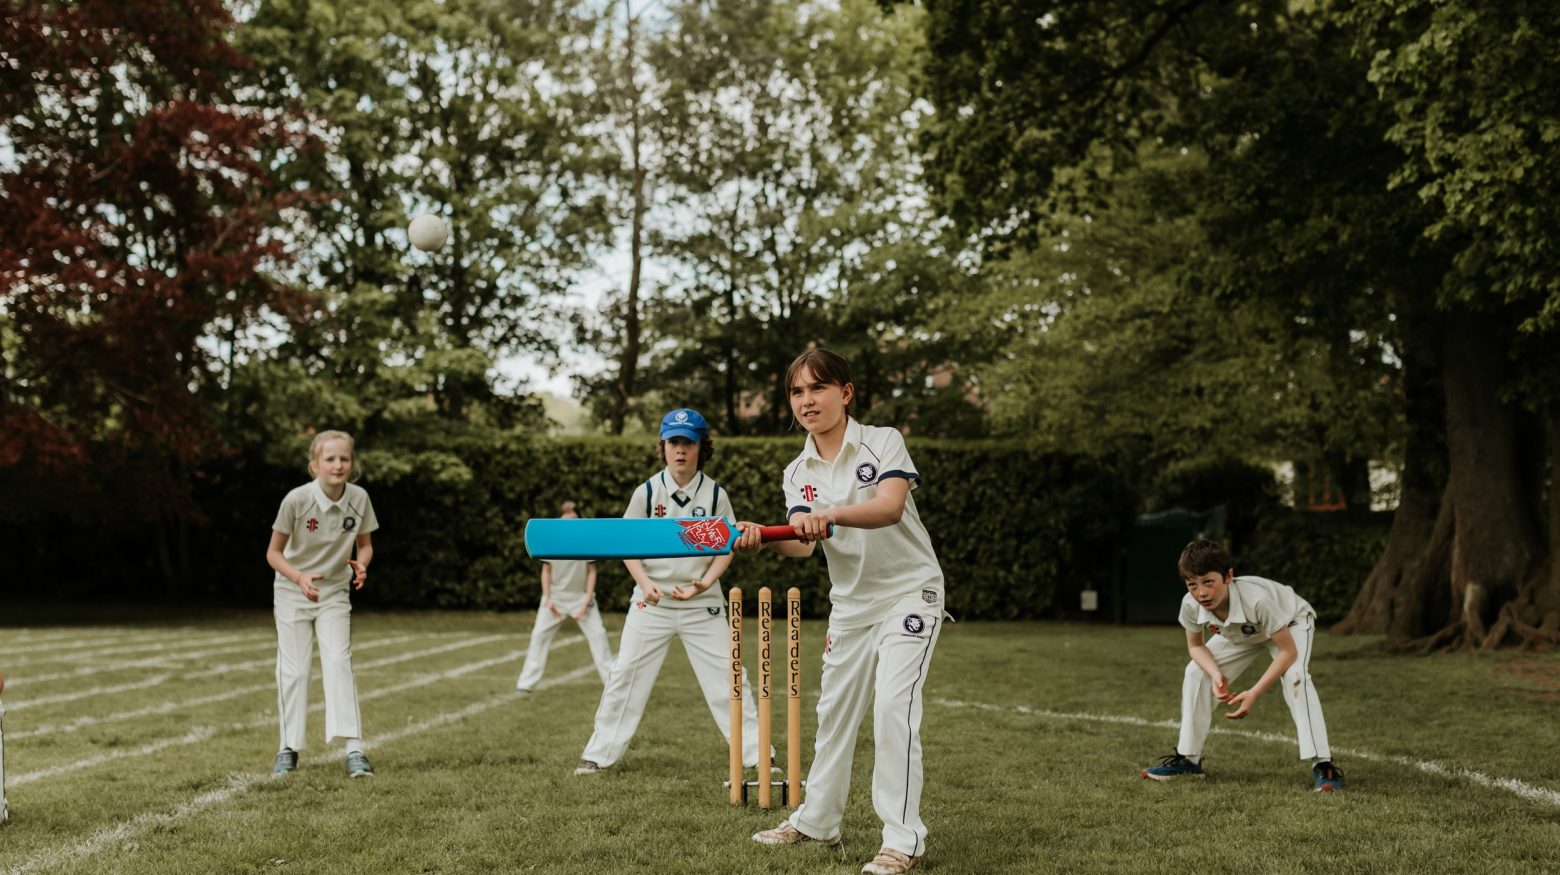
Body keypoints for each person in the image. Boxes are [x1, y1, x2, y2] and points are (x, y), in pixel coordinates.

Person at [734, 349, 947, 875]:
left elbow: (889, 506)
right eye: (797, 392)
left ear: (845, 393)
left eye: (818, 388)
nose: (807, 401)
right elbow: (802, 544)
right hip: (851, 605)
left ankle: (903, 841)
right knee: (833, 715)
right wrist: (763, 538)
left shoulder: (883, 440)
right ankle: (817, 821)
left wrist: (827, 515)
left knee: (893, 708)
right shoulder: (796, 471)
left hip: (910, 592)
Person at [574, 408, 766, 776]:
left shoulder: (715, 494)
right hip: (652, 601)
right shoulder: (647, 492)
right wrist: (645, 584)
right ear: (662, 446)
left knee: (730, 676)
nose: (680, 450)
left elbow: (726, 546)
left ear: (701, 448)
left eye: (688, 443)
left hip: (702, 603)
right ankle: (598, 755)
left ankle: (758, 756)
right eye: (673, 442)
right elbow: (627, 543)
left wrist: (705, 583)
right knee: (626, 674)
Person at [1140, 537, 1343, 792]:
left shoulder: (1257, 600)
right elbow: (1196, 647)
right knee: (1195, 672)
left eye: (1208, 582)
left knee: (1296, 678)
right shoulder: (1190, 604)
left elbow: (1288, 651)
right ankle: (1189, 760)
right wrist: (1215, 674)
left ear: (1228, 577)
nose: (1201, 592)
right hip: (1242, 631)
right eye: (1192, 584)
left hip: (1290, 624)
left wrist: (1254, 692)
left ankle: (1324, 765)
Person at [265, 429, 378, 778]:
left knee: (338, 662)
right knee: (295, 671)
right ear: (314, 465)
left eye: (344, 458)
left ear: (352, 463)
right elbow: (273, 553)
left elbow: (364, 545)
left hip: (334, 593)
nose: (338, 465)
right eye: (330, 459)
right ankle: (288, 748)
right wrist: (299, 577)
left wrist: (362, 565)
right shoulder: (296, 500)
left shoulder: (359, 498)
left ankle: (355, 750)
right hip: (292, 593)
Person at [515, 501, 614, 694]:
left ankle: (612, 683)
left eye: (573, 520)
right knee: (539, 637)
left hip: (581, 599)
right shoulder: (552, 542)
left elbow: (591, 572)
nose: (569, 525)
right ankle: (526, 684)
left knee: (599, 636)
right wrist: (548, 598)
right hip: (555, 599)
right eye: (565, 521)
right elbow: (546, 571)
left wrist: (586, 600)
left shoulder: (586, 543)